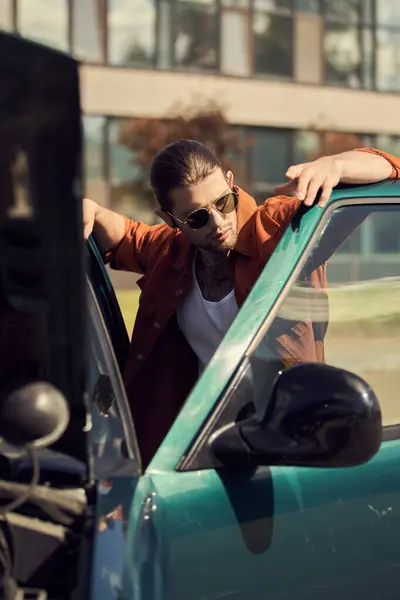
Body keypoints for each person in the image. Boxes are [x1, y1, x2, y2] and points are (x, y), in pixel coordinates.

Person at [83, 140, 400, 467]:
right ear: (170, 220)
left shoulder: (280, 230)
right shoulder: (170, 252)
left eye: (223, 201)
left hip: (288, 445)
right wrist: (91, 210)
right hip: (200, 449)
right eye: (197, 218)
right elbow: (125, 237)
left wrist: (337, 166)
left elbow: (392, 171)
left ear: (232, 183)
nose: (218, 223)